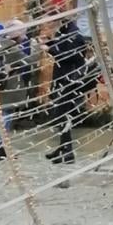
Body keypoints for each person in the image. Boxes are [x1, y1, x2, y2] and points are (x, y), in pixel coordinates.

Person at [44, 15, 88, 164]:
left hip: (70, 82)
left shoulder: (74, 35)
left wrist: (50, 49)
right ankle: (63, 148)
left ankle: (68, 151)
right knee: (60, 116)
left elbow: (68, 56)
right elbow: (61, 47)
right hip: (62, 80)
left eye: (52, 22)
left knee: (62, 115)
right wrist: (49, 43)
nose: (50, 26)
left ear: (61, 21)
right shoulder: (64, 32)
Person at [0, 23, 25, 161]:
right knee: (5, 119)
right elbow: (28, 61)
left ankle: (2, 148)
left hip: (3, 87)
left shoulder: (2, 46)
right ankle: (0, 148)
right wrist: (38, 47)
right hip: (8, 89)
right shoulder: (11, 48)